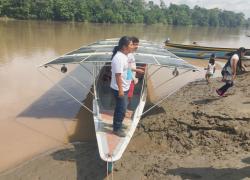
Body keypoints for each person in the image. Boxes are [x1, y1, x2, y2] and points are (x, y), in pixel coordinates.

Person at [110, 36, 133, 137]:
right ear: (124, 47)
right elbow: (118, 75)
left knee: (120, 108)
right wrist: (120, 90)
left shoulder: (125, 56)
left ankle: (118, 124)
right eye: (131, 44)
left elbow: (126, 70)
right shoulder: (119, 58)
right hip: (119, 89)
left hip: (124, 87)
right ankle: (116, 129)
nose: (132, 46)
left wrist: (133, 76)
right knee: (121, 109)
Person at [126, 37, 144, 117]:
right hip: (128, 78)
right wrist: (134, 78)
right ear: (130, 45)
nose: (136, 46)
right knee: (128, 95)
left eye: (137, 44)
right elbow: (127, 68)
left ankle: (126, 108)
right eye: (134, 44)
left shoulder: (131, 54)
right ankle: (126, 109)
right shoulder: (129, 55)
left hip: (130, 77)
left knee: (129, 95)